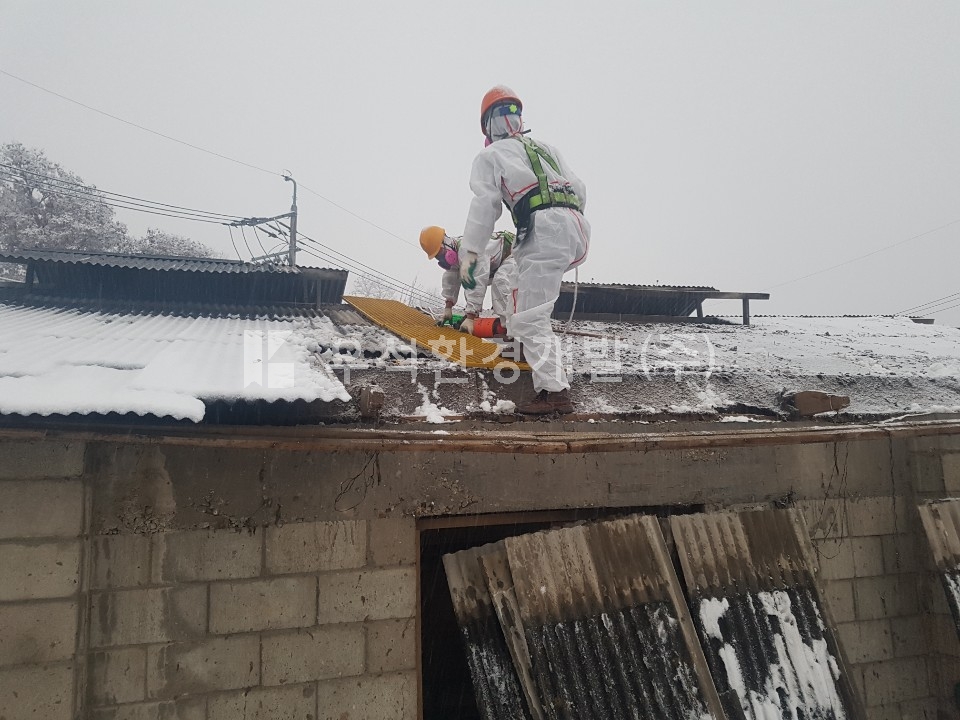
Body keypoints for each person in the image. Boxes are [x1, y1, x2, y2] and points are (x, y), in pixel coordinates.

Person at [458, 86, 590, 415]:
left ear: (487, 126)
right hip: (574, 227)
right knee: (519, 298)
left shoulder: (489, 156)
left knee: (530, 318)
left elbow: (485, 207)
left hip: (542, 230)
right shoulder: (547, 148)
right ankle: (521, 341)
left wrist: (470, 253)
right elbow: (579, 188)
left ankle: (555, 394)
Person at [419, 226, 517, 336]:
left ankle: (514, 328)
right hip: (502, 260)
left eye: (441, 252)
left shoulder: (469, 250)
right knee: (498, 280)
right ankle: (509, 325)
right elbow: (451, 278)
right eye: (437, 257)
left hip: (516, 252)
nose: (442, 258)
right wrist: (448, 307)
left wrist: (471, 316)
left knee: (501, 281)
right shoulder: (456, 252)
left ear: (445, 241)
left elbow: (477, 282)